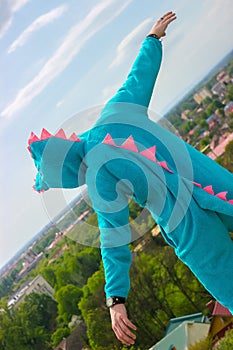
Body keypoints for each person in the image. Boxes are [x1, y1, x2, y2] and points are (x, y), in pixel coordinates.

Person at [28, 11, 233, 346]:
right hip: (210, 184)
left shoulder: (97, 175)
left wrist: (116, 300)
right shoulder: (116, 110)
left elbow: (113, 236)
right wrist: (152, 39)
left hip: (186, 225)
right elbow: (138, 78)